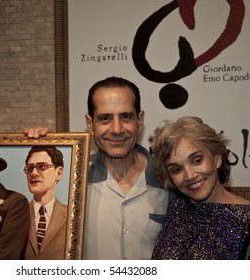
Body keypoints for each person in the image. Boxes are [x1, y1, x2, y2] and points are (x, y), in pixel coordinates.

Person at [24, 76, 172, 259]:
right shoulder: (73, 180)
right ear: (90, 123)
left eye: (126, 116)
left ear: (140, 120)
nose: (117, 129)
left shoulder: (170, 178)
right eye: (105, 118)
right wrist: (30, 145)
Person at [149, 116, 250, 260]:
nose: (189, 176)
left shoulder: (246, 220)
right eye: (176, 169)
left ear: (217, 158)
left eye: (197, 161)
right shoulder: (177, 210)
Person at [24, 146, 67, 260]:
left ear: (59, 173)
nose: (34, 173)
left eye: (41, 167)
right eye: (30, 168)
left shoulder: (73, 216)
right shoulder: (16, 215)